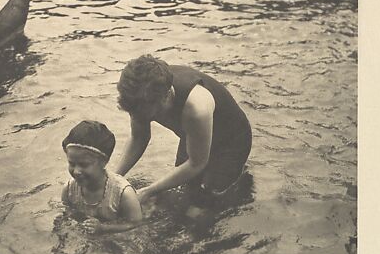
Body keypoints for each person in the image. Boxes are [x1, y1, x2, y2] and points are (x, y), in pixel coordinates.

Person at [115, 55, 252, 205]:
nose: (140, 117)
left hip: (231, 141)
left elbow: (196, 163)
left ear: (166, 96)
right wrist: (115, 179)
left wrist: (148, 191)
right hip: (192, 133)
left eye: (148, 114)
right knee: (185, 190)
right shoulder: (139, 97)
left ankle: (240, 183)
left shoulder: (196, 107)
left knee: (207, 202)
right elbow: (138, 138)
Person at [61, 120, 143, 234]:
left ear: (104, 162)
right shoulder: (69, 189)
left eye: (84, 165)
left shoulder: (123, 194)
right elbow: (67, 214)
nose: (76, 171)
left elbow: (136, 224)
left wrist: (104, 229)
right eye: (72, 163)